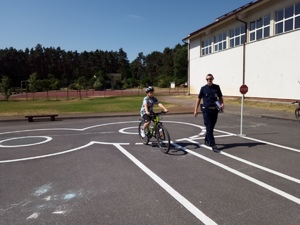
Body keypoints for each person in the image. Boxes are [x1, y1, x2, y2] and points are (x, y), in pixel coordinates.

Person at [194, 74, 224, 153]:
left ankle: (206, 139)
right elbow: (198, 99)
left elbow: (220, 97)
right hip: (206, 110)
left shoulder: (216, 87)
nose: (209, 80)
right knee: (209, 127)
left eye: (210, 79)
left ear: (213, 79)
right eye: (207, 79)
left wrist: (222, 104)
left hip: (214, 110)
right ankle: (213, 144)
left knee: (211, 127)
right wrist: (195, 110)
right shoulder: (203, 88)